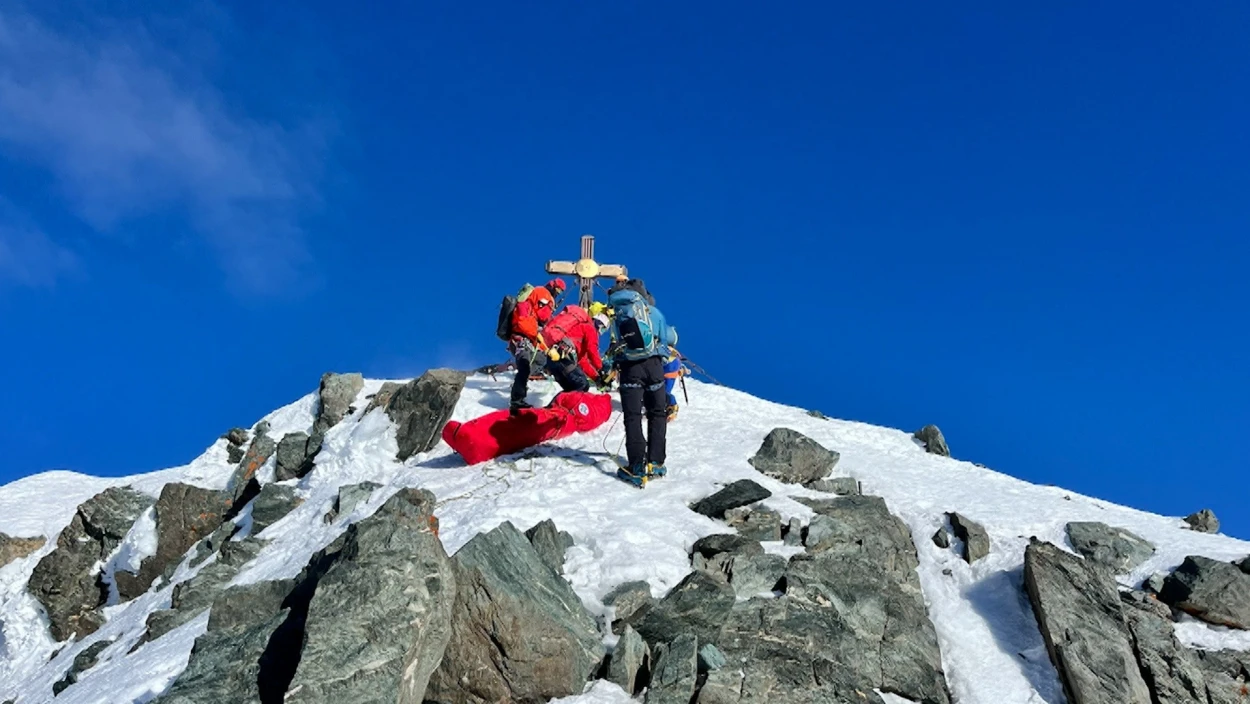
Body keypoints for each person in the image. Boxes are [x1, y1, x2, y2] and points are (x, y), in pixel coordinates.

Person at [603, 278, 677, 487]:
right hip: (654, 366)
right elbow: (670, 338)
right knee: (657, 413)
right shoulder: (653, 312)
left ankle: (636, 467)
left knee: (633, 417)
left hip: (629, 369)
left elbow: (614, 345)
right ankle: (656, 463)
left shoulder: (617, 312)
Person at [507, 278, 566, 413]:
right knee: (524, 366)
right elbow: (534, 321)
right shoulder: (538, 299)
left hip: (524, 340)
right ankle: (516, 401)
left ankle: (520, 387)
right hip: (521, 339)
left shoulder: (530, 308)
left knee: (540, 360)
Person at [539, 304, 606, 393]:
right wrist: (601, 368)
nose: (601, 331)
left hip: (554, 359)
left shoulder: (579, 331)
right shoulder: (589, 328)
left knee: (573, 389)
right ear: (598, 322)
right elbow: (592, 349)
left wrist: (596, 377)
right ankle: (560, 405)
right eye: (603, 328)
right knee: (582, 384)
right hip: (563, 358)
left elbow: (582, 361)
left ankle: (556, 405)